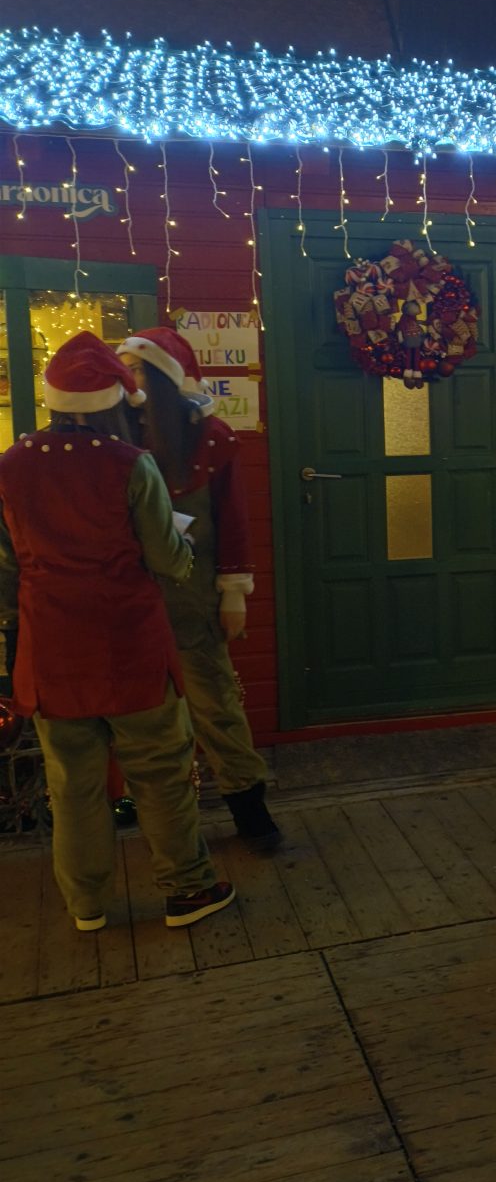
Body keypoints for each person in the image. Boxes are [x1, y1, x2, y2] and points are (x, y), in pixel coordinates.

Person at [0, 333, 235, 930]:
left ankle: (86, 906)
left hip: (51, 652)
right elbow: (167, 560)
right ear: (115, 401)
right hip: (128, 645)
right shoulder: (131, 464)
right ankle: (188, 890)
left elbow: (6, 568)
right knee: (159, 775)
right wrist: (183, 547)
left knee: (72, 785)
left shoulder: (10, 464)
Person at [116, 327, 280, 850]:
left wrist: (233, 593)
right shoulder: (117, 433)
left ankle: (248, 804)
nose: (129, 380)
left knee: (215, 702)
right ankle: (145, 805)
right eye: (126, 370)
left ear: (163, 377)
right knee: (139, 709)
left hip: (193, 594)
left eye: (138, 370)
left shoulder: (211, 438)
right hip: (130, 596)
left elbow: (233, 521)